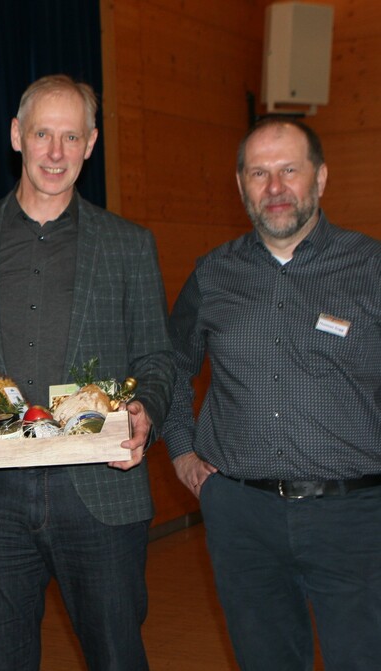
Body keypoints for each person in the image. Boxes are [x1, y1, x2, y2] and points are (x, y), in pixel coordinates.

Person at [0, 74, 175, 670]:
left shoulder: (128, 245)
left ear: (91, 144)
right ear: (17, 135)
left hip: (98, 492)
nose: (56, 153)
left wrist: (146, 414)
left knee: (117, 657)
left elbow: (157, 359)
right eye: (43, 134)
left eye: (71, 136)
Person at [164, 117, 381, 670]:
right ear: (241, 186)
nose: (275, 187)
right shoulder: (213, 275)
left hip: (355, 517)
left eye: (289, 170)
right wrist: (183, 452)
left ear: (321, 178)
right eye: (259, 173)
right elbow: (171, 365)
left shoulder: (370, 267)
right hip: (243, 517)